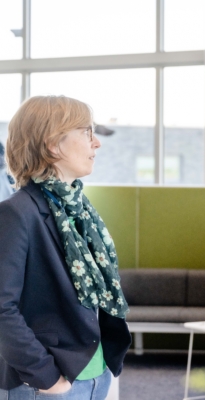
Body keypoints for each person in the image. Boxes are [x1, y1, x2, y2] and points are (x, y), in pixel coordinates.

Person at [0, 96, 132, 399]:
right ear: (53, 145)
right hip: (47, 384)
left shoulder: (78, 210)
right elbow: (2, 309)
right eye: (87, 132)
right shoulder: (17, 213)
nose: (96, 143)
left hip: (96, 373)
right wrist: (47, 378)